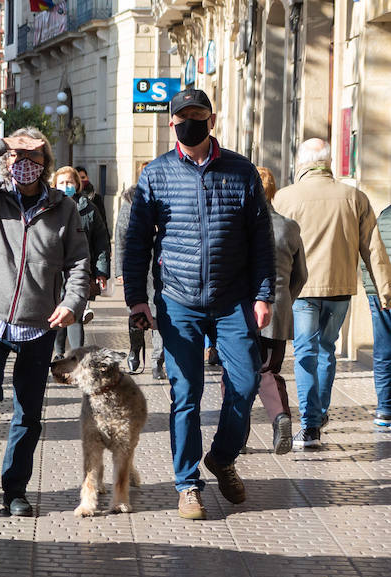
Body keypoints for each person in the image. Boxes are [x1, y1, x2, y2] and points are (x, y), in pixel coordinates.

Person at [122, 87, 274, 520]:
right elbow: (136, 244)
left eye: (198, 114)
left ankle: (222, 457)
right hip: (178, 301)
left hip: (233, 300)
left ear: (212, 119)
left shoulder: (241, 171)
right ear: (171, 123)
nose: (191, 121)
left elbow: (261, 241)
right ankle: (188, 484)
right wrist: (136, 300)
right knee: (186, 393)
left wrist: (263, 294)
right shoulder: (156, 173)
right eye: (183, 115)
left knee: (244, 386)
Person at [0, 129, 90, 518]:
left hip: (38, 323)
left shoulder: (64, 208)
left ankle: (15, 489)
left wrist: (72, 302)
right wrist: (0, 145)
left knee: (29, 411)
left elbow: (78, 262)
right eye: (16, 158)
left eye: (31, 159)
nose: (23, 166)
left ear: (43, 166)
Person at [272, 138, 391, 449]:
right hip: (340, 288)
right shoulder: (354, 197)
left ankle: (311, 425)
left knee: (305, 353)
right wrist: (385, 290)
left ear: (301, 163)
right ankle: (319, 413)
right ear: (328, 162)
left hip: (303, 290)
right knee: (327, 350)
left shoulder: (285, 198)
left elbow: (271, 246)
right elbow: (374, 249)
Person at [255, 166, 307, 455]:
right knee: (269, 370)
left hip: (242, 313)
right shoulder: (289, 226)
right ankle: (281, 417)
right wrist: (285, 300)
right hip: (278, 312)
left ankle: (236, 437)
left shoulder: (240, 226)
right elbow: (301, 275)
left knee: (235, 376)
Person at [52, 166, 109, 359]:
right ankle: (59, 354)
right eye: (62, 183)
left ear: (77, 184)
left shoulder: (88, 209)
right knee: (57, 310)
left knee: (74, 310)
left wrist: (101, 271)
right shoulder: (49, 207)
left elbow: (101, 241)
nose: (66, 186)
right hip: (53, 270)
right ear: (54, 185)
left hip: (79, 268)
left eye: (69, 182)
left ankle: (77, 355)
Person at [114, 183, 164, 377]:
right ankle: (135, 350)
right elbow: (121, 239)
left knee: (159, 314)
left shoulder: (166, 200)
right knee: (137, 313)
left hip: (161, 267)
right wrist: (120, 271)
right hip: (137, 267)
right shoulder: (130, 201)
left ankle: (157, 361)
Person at [361, 199, 391, 428]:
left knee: (382, 351)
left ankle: (384, 410)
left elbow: (368, 251)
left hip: (378, 291)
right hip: (381, 290)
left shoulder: (382, 216)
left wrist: (371, 287)